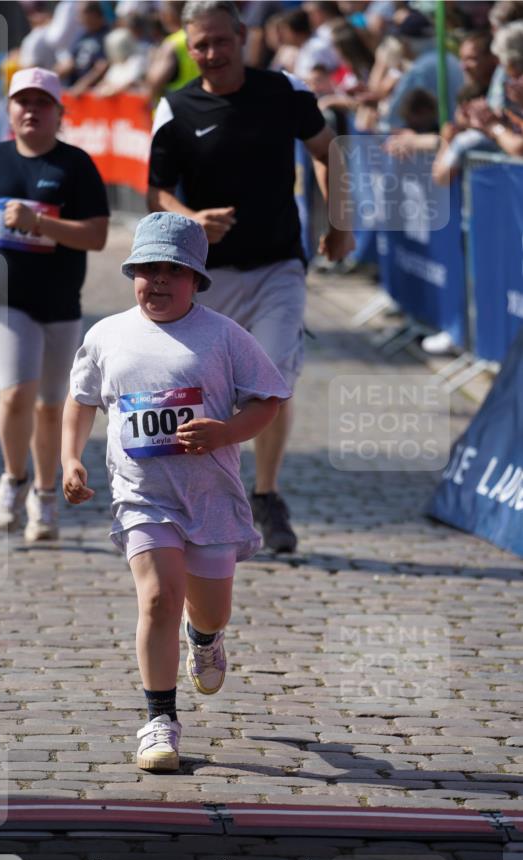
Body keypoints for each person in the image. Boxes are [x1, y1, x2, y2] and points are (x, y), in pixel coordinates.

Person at [61, 213, 290, 771]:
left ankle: (205, 638)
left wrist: (227, 432)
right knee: (158, 598)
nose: (158, 281)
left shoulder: (223, 335)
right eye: (147, 270)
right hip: (143, 495)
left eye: (173, 271)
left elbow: (269, 398)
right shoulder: (107, 335)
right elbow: (81, 399)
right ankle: (159, 721)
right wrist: (70, 458)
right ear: (132, 274)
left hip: (210, 495)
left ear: (196, 279)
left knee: (210, 610)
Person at [147, 0, 354, 554]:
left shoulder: (281, 91)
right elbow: (156, 193)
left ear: (241, 37)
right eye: (200, 46)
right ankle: (219, 497)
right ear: (188, 50)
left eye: (220, 41)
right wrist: (190, 219)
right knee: (212, 393)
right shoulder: (175, 109)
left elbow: (328, 149)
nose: (211, 54)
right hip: (209, 276)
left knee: (272, 378)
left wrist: (341, 222)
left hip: (279, 263)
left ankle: (266, 492)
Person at [0, 67, 109, 541]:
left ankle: (44, 497)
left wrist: (42, 224)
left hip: (61, 301)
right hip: (4, 299)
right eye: (23, 101)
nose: (31, 111)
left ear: (59, 113)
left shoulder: (76, 165)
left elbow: (97, 236)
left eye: (42, 103)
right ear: (10, 109)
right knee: (16, 393)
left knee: (50, 405)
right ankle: (12, 480)